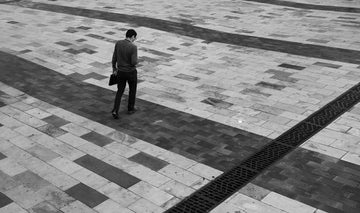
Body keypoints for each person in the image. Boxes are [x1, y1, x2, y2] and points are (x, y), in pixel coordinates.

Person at [111, 29, 138, 119]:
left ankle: (115, 110)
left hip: (120, 72)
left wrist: (114, 68)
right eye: (135, 38)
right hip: (131, 72)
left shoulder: (118, 43)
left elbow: (114, 57)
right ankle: (130, 108)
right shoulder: (133, 47)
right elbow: (134, 62)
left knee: (120, 91)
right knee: (132, 90)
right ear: (133, 36)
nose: (134, 39)